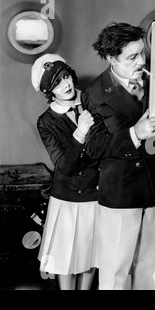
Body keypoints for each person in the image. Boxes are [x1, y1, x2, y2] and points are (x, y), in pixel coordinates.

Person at [81, 22, 155, 290]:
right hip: (123, 189)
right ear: (113, 59)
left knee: (151, 264)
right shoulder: (93, 93)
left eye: (142, 53)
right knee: (116, 269)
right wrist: (135, 134)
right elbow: (94, 148)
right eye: (132, 56)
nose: (142, 61)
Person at [32, 54, 99, 290]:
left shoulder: (91, 102)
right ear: (49, 91)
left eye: (66, 76)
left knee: (89, 260)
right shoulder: (46, 121)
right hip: (67, 199)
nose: (67, 84)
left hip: (95, 195)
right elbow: (63, 167)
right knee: (66, 262)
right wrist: (79, 134)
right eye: (58, 83)